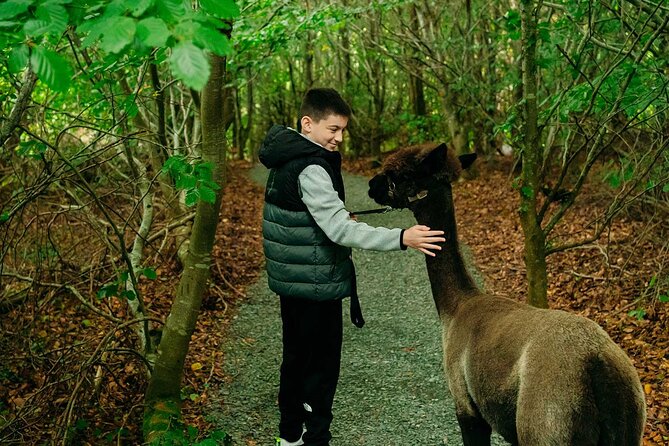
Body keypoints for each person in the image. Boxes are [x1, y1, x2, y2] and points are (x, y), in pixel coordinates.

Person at [259, 88, 445, 446]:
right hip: (315, 284)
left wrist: (334, 214)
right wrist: (401, 237)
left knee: (295, 360)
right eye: (333, 129)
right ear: (307, 123)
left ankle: (289, 437)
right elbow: (339, 229)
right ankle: (315, 440)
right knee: (321, 371)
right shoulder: (311, 166)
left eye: (343, 130)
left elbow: (299, 215)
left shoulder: (286, 154)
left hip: (293, 282)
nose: (339, 138)